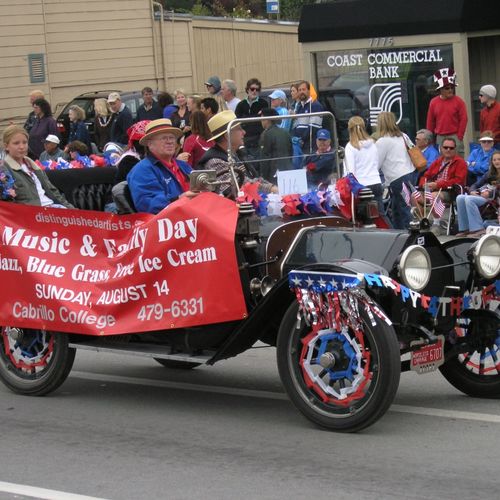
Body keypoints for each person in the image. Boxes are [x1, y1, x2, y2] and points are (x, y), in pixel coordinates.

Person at [197, 110, 276, 198]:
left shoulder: (236, 154)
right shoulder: (215, 162)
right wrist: (272, 189)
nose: (244, 132)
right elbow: (241, 185)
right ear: (227, 136)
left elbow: (253, 178)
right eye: (239, 129)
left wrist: (273, 187)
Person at [127, 119, 197, 214]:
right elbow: (148, 204)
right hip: (170, 223)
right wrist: (179, 199)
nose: (170, 142)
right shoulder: (141, 171)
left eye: (172, 138)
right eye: (164, 138)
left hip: (194, 216)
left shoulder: (183, 165)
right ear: (150, 144)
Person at [1, 125, 72, 208]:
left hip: (53, 208)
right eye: (16, 143)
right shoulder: (4, 168)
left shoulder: (33, 165)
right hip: (33, 214)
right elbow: (9, 203)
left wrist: (72, 210)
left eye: (25, 142)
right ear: (6, 146)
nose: (22, 147)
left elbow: (53, 192)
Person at [375, 111, 416, 229]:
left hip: (396, 178)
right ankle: (401, 231)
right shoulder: (403, 135)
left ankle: (409, 234)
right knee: (398, 207)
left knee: (403, 208)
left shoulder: (382, 141)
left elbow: (376, 164)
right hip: (409, 173)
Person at [415, 137, 467, 216]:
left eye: (451, 148)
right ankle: (422, 221)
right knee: (414, 196)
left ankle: (437, 223)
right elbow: (426, 175)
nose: (448, 150)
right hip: (433, 189)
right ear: (441, 148)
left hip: (450, 191)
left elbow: (458, 180)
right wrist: (424, 184)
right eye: (445, 147)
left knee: (434, 196)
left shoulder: (460, 162)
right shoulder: (437, 161)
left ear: (455, 149)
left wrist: (438, 185)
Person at [343, 116, 384, 214]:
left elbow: (351, 172)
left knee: (364, 219)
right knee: (381, 216)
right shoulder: (373, 144)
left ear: (349, 129)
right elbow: (377, 163)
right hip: (376, 182)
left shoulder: (350, 146)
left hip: (361, 187)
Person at [456, 150, 500, 236]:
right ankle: (465, 228)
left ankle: (478, 228)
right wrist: (472, 191)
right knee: (460, 197)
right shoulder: (489, 173)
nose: (497, 161)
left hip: (495, 199)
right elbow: (476, 184)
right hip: (485, 196)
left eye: (499, 159)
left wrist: (490, 194)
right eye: (494, 160)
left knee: (469, 199)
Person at [426, 68, 468, 156]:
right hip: (440, 137)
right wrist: (429, 138)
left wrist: (459, 136)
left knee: (458, 161)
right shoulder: (433, 102)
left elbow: (464, 119)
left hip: (455, 135)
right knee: (442, 162)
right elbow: (430, 122)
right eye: (447, 88)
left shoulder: (459, 101)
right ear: (440, 89)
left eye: (452, 87)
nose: (450, 90)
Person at [235, 78, 269, 159]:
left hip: (258, 138)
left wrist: (245, 118)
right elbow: (237, 121)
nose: (254, 91)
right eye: (252, 89)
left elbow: (264, 120)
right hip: (244, 138)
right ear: (247, 90)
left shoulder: (263, 103)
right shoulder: (241, 104)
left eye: (257, 89)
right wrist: (255, 117)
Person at [258, 108, 292, 182]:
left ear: (267, 120)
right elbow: (291, 153)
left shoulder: (265, 134)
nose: (261, 122)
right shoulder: (285, 132)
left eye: (262, 119)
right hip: (288, 171)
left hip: (273, 175)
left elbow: (264, 158)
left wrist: (263, 177)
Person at [292, 80, 324, 155]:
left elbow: (314, 128)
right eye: (299, 90)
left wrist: (301, 139)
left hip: (311, 148)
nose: (301, 92)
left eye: (304, 89)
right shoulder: (299, 107)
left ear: (309, 91)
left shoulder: (315, 105)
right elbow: (296, 126)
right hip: (300, 147)